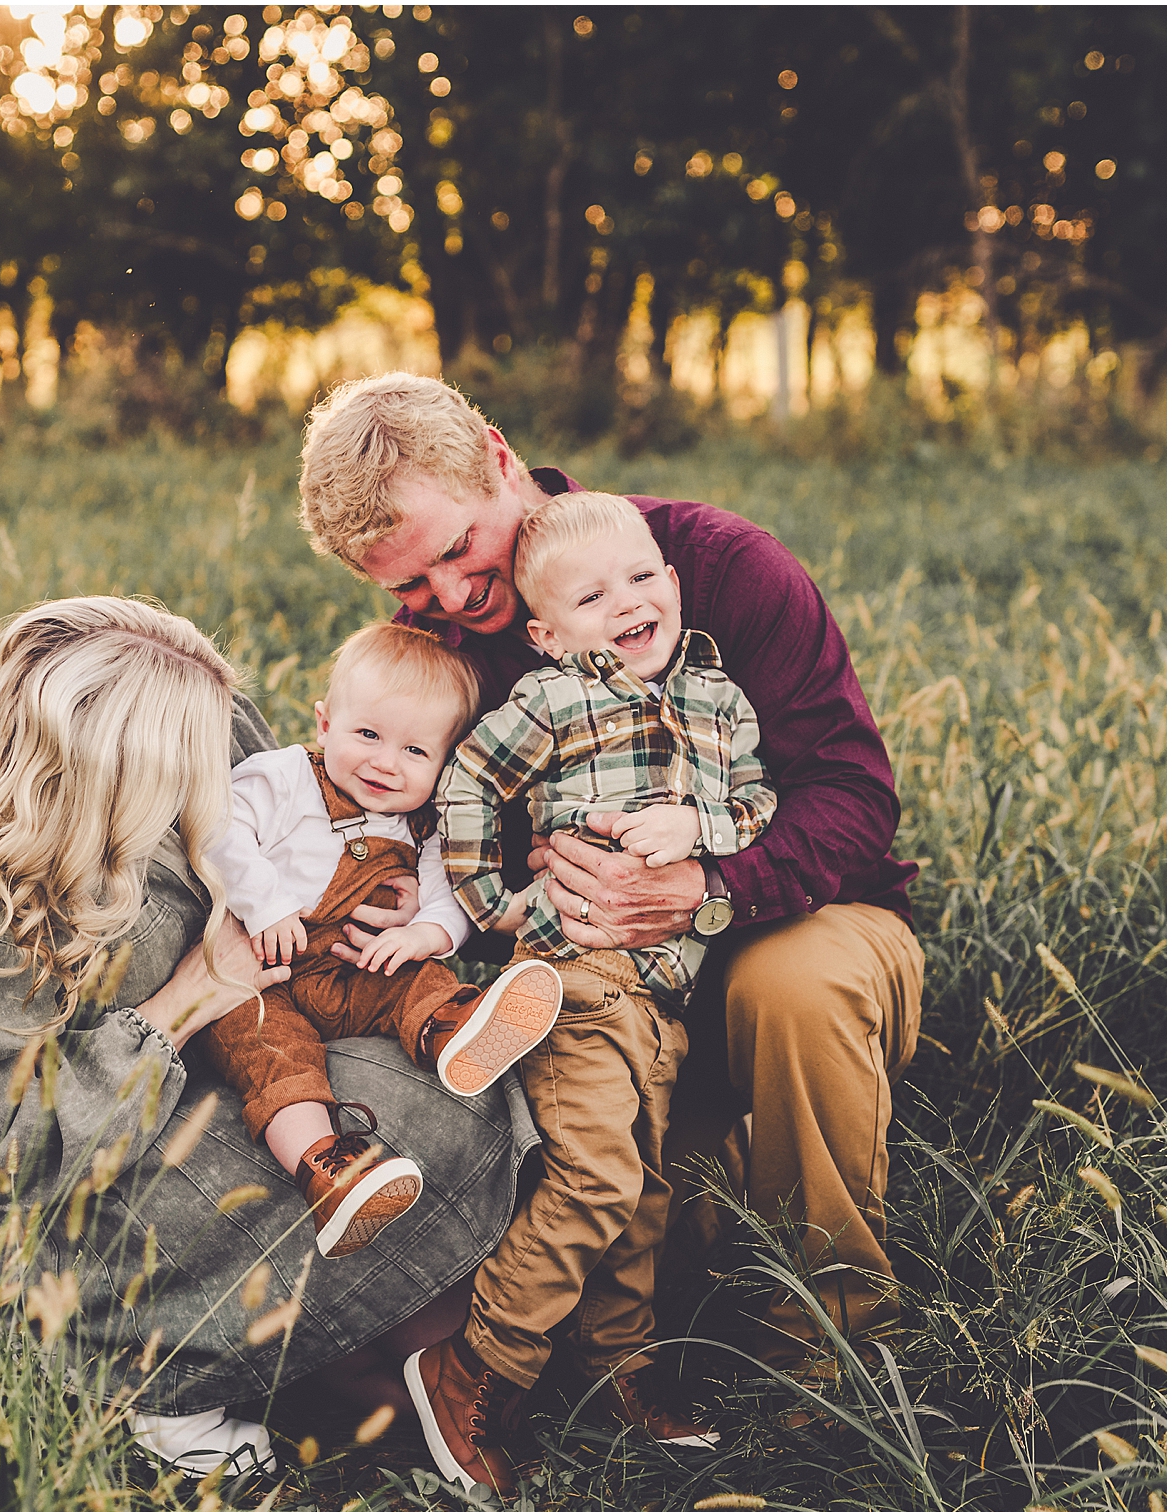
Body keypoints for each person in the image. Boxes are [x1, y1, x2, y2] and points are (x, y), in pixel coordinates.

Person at [297, 373, 925, 1413]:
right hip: (602, 985)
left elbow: (854, 798)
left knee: (790, 988)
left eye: (456, 550)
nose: (451, 599)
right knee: (625, 1194)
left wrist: (704, 884)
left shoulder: (708, 567)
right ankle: (659, 1284)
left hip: (803, 924)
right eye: (410, 589)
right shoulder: (446, 666)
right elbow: (422, 822)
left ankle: (833, 1351)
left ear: (498, 460)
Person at [0, 596, 539, 1478]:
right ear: (97, 767)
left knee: (460, 1084)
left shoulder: (207, 731)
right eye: (185, 769)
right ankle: (161, 1379)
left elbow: (310, 814)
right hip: (105, 1176)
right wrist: (192, 992)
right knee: (396, 1133)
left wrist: (367, 885)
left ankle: (384, 1337)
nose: (216, 775)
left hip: (250, 1051)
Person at [405, 492, 776, 1494]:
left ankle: (618, 1367)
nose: (626, 601)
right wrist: (494, 903)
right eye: (591, 595)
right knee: (597, 1177)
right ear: (544, 632)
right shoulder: (550, 701)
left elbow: (756, 800)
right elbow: (470, 783)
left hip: (663, 992)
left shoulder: (718, 701)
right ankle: (478, 1363)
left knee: (643, 1189)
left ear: (671, 579)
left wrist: (699, 831)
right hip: (574, 975)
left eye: (642, 577)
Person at [202, 621, 561, 1259]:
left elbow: (446, 891)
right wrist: (267, 906)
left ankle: (454, 1030)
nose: (385, 763)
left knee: (416, 979)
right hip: (259, 972)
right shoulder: (282, 778)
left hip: (353, 970)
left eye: (415, 752)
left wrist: (427, 932)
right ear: (324, 724)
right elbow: (220, 830)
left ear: (445, 763)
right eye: (368, 735)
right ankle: (330, 1170)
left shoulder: (422, 824)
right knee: (268, 1054)